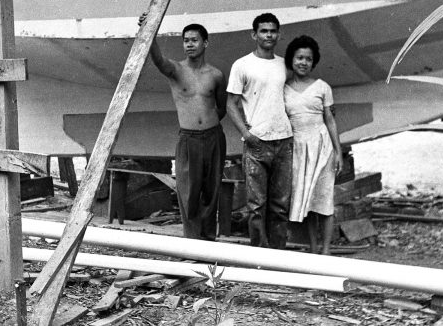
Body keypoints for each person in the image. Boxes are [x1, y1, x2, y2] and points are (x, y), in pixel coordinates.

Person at [139, 13, 227, 240]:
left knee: (211, 191)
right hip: (188, 139)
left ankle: (208, 242)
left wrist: (208, 126)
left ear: (205, 43)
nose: (189, 44)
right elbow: (159, 61)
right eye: (186, 40)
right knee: (188, 192)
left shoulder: (216, 74)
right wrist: (149, 31)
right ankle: (191, 243)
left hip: (213, 137)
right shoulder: (177, 70)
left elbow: (221, 107)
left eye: (194, 40)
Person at [226, 13, 293, 249]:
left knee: (281, 204)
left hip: (284, 141)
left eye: (273, 31)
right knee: (256, 205)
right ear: (254, 34)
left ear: (279, 34)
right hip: (257, 143)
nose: (269, 35)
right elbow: (231, 103)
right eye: (264, 31)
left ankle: (278, 256)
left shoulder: (284, 64)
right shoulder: (242, 65)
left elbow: (292, 96)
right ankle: (258, 257)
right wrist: (246, 134)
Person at [284, 35, 343, 255]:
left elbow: (330, 120)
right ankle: (313, 248)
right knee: (306, 200)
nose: (303, 62)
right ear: (291, 60)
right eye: (299, 58)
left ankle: (326, 251)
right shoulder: (283, 89)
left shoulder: (322, 87)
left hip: (322, 146)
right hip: (298, 148)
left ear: (313, 62)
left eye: (308, 59)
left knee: (324, 198)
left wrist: (339, 152)